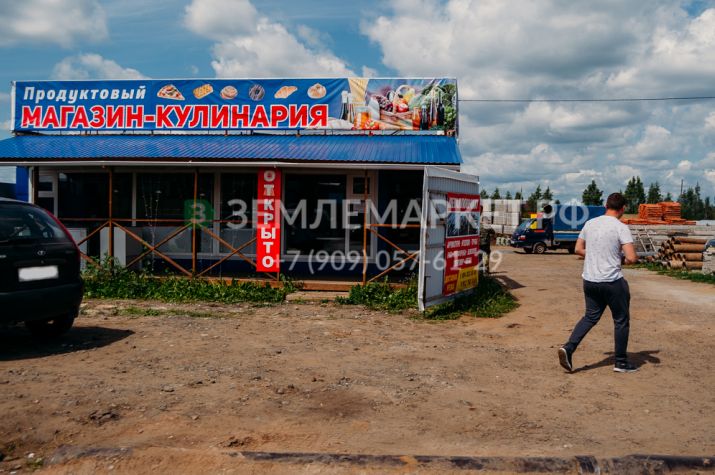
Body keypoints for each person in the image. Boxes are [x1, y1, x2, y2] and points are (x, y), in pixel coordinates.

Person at [558, 193, 639, 373]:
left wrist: (598, 254)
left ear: (606, 205)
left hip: (590, 280)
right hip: (612, 282)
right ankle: (621, 362)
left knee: (590, 317)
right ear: (623, 208)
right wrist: (620, 258)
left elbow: (578, 249)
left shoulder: (590, 223)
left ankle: (569, 348)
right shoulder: (620, 227)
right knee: (621, 320)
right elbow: (632, 258)